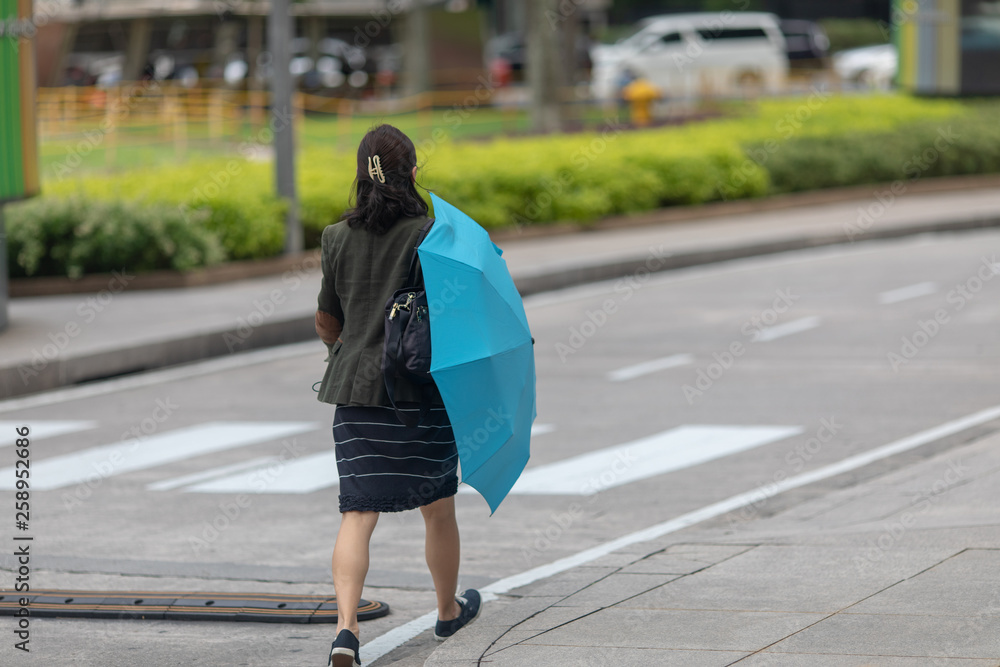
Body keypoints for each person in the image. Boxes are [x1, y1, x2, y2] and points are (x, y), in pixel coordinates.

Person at [315, 124, 482, 667]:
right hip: (418, 394)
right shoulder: (432, 234)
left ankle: (345, 631)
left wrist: (350, 345)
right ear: (413, 173)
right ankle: (446, 610)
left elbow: (327, 319)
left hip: (355, 395)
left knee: (357, 512)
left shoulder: (335, 237)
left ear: (360, 177)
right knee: (438, 508)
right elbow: (452, 315)